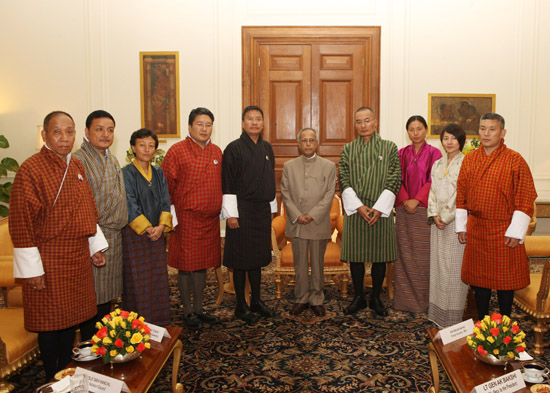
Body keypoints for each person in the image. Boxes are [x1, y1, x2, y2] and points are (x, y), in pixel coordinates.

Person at [9, 111, 108, 380]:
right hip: (48, 258)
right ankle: (52, 375)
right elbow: (21, 223)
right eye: (57, 131)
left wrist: (95, 247)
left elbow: (88, 209)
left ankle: (67, 370)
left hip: (76, 256)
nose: (64, 138)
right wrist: (32, 271)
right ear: (45, 135)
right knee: (50, 322)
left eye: (69, 131)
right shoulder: (31, 169)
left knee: (71, 320)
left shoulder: (75, 166)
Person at [456, 113, 537, 320]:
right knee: (479, 280)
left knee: (505, 281)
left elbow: (526, 196)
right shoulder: (471, 159)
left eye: (492, 129)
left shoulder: (515, 160)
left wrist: (517, 231)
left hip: (504, 229)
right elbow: (461, 194)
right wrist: (462, 226)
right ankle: (482, 321)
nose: (486, 133)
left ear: (502, 132)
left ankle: (505, 321)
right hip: (477, 228)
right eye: (483, 128)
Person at [161, 107, 222, 329]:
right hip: (186, 219)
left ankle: (199, 309)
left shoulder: (216, 152)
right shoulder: (176, 151)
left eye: (208, 124)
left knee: (203, 265)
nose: (204, 128)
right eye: (199, 124)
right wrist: (171, 219)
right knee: (187, 266)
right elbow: (166, 186)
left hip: (211, 220)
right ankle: (187, 312)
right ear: (189, 126)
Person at [339, 107, 401, 317]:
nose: (363, 125)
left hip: (380, 210)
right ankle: (358, 296)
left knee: (379, 256)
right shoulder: (348, 149)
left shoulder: (389, 147)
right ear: (354, 125)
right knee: (355, 256)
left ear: (376, 122)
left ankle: (375, 297)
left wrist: (378, 207)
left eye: (367, 120)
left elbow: (394, 178)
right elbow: (344, 178)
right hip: (357, 210)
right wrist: (358, 206)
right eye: (359, 121)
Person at [74, 110, 128, 339]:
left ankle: (103, 342)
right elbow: (81, 203)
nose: (105, 134)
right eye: (99, 129)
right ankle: (89, 344)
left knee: (107, 297)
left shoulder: (111, 159)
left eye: (110, 130)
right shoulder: (78, 160)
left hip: (114, 235)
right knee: (92, 298)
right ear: (87, 132)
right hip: (94, 236)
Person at [221, 105, 277, 324]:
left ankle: (256, 300)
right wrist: (231, 215)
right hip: (241, 211)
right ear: (243, 123)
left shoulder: (266, 148)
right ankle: (240, 305)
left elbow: (270, 180)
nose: (254, 123)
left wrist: (272, 210)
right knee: (241, 259)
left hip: (261, 211)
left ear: (263, 123)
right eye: (250, 119)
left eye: (258, 119)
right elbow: (227, 183)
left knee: (258, 259)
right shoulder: (233, 149)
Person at [280, 128, 336, 317]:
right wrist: (297, 214)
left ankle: (317, 298)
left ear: (317, 142)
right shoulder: (289, 166)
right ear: (299, 143)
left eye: (311, 140)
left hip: (318, 222)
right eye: (304, 140)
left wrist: (312, 215)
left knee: (318, 264)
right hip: (297, 223)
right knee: (300, 264)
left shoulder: (328, 166)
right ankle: (301, 298)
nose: (308, 144)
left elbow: (329, 195)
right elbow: (285, 194)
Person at [122, 129, 173, 326]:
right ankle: (136, 324)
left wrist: (161, 226)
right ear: (133, 147)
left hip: (157, 233)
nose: (146, 149)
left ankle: (159, 321)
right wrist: (147, 228)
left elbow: (166, 201)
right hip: (136, 235)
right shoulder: (126, 173)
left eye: (151, 145)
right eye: (142, 145)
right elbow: (129, 202)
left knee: (158, 279)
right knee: (138, 281)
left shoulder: (158, 172)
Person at [393, 115, 442, 313]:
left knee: (422, 258)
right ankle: (404, 302)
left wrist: (418, 200)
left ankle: (424, 302)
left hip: (424, 211)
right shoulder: (400, 153)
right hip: (404, 210)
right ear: (407, 132)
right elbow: (395, 178)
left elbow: (434, 180)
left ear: (426, 131)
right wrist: (405, 199)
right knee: (404, 256)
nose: (415, 133)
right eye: (411, 129)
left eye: (419, 129)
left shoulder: (435, 153)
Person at [427, 123, 468, 327]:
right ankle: (437, 314)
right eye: (445, 138)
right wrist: (434, 214)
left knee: (453, 270)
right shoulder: (437, 164)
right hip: (437, 224)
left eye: (453, 138)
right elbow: (432, 191)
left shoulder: (466, 163)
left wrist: (445, 216)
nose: (449, 142)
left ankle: (453, 318)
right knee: (438, 268)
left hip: (454, 223)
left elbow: (461, 193)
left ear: (461, 141)